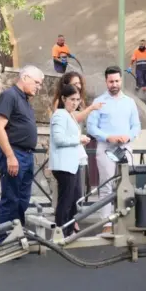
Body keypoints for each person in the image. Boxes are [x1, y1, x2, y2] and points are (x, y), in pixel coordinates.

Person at [0, 65, 44, 244]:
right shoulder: (10, 96)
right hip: (16, 155)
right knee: (11, 199)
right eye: (37, 82)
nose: (39, 86)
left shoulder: (24, 100)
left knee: (22, 200)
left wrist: (2, 154)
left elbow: (13, 129)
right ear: (26, 78)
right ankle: (0, 241)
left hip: (25, 156)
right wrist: (8, 156)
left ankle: (15, 237)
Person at [86, 66, 141, 233]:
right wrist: (108, 137)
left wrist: (128, 137)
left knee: (129, 184)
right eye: (111, 81)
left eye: (117, 81)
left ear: (121, 81)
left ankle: (129, 221)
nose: (114, 84)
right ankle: (107, 223)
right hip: (105, 147)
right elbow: (91, 127)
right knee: (106, 185)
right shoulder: (98, 102)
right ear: (106, 82)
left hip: (125, 147)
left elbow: (136, 125)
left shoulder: (130, 102)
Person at [49, 83, 92, 236]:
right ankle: (61, 234)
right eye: (72, 99)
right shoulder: (60, 114)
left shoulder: (68, 115)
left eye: (77, 100)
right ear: (63, 98)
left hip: (70, 165)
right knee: (65, 202)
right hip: (63, 165)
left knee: (72, 202)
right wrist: (79, 139)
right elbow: (59, 139)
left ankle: (67, 232)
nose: (75, 103)